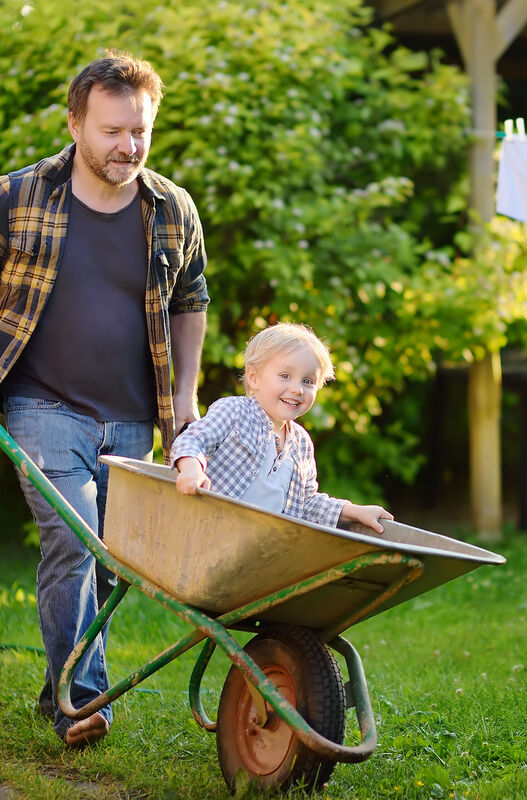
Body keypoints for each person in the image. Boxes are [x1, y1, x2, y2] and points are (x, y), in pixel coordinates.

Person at [0, 52, 209, 747]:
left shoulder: (171, 207)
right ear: (75, 124)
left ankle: (61, 682)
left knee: (109, 558)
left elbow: (190, 301)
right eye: (112, 131)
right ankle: (82, 704)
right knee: (74, 541)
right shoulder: (18, 197)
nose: (127, 146)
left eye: (139, 132)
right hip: (40, 404)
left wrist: (184, 402)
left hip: (131, 417)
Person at [171, 322, 393, 534]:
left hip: (258, 549)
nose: (297, 389)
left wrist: (356, 512)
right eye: (285, 376)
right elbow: (193, 440)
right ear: (254, 378)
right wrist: (192, 469)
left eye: (308, 381)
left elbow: (307, 504)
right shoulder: (234, 412)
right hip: (209, 530)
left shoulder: (301, 443)